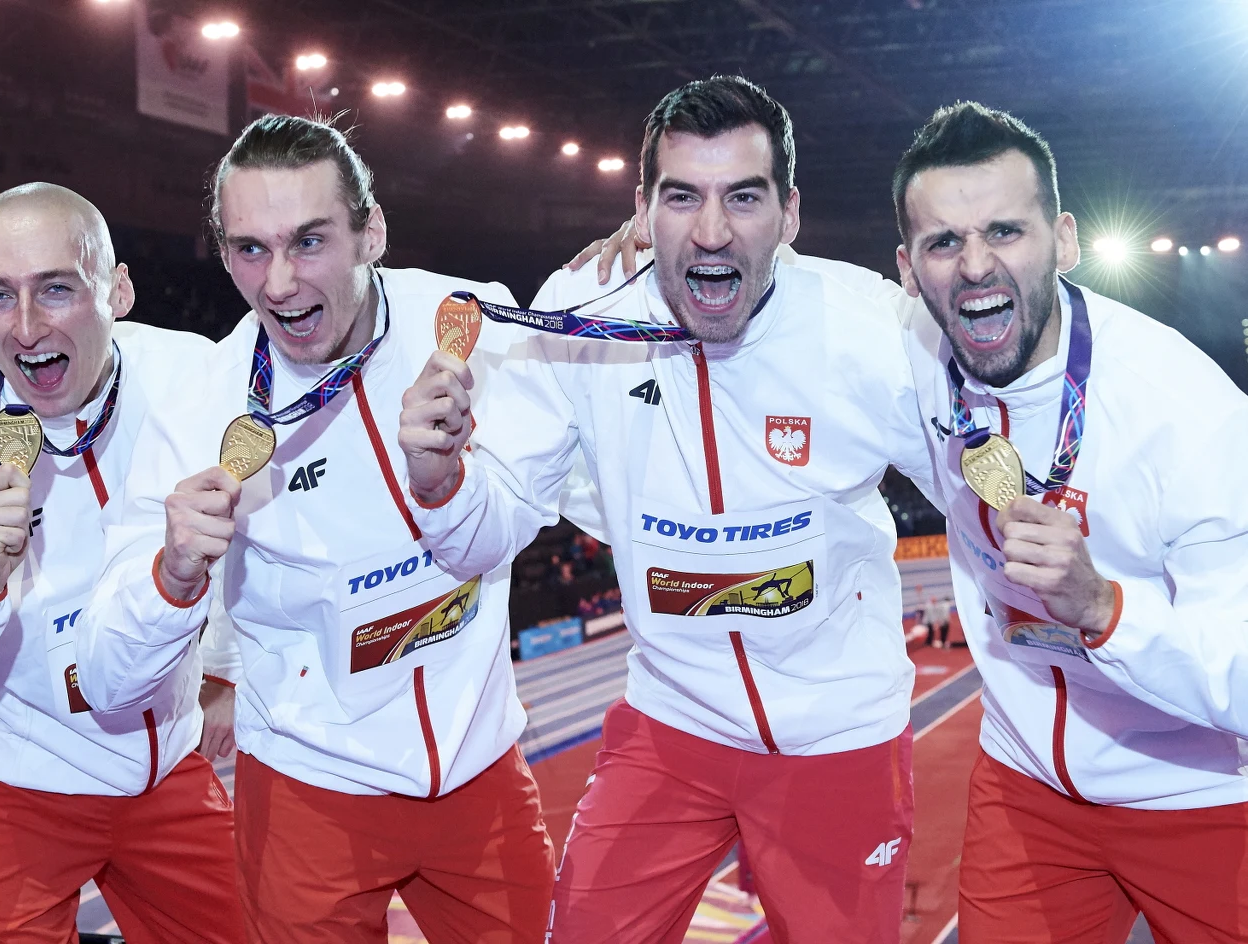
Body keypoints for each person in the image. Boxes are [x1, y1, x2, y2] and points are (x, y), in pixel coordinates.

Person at [398, 76, 936, 943]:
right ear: (642, 209)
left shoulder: (869, 327)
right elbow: (485, 534)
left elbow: (978, 480)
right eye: (682, 197)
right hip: (671, 724)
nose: (713, 232)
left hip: (838, 737)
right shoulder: (580, 314)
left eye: (743, 198)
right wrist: (436, 481)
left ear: (790, 214)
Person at [78, 114, 555, 944]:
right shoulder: (200, 406)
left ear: (371, 232)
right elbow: (109, 680)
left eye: (309, 240)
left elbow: (504, 533)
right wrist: (173, 575)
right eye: (249, 249)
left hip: (479, 773)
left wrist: (444, 483)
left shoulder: (470, 328)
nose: (280, 283)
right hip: (309, 790)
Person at [893, 102, 1248, 944]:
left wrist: (1104, 611)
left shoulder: (1190, 413)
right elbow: (779, 298)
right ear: (908, 269)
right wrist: (638, 253)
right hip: (1025, 788)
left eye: (1006, 232)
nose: (975, 265)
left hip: (1201, 797)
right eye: (944, 242)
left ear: (1066, 239)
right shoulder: (904, 349)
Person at [0, 183, 245, 943]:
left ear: (118, 289)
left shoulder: (195, 377)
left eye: (56, 289)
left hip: (165, 772)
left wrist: (222, 667)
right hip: (7, 785)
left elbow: (258, 521)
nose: (26, 327)